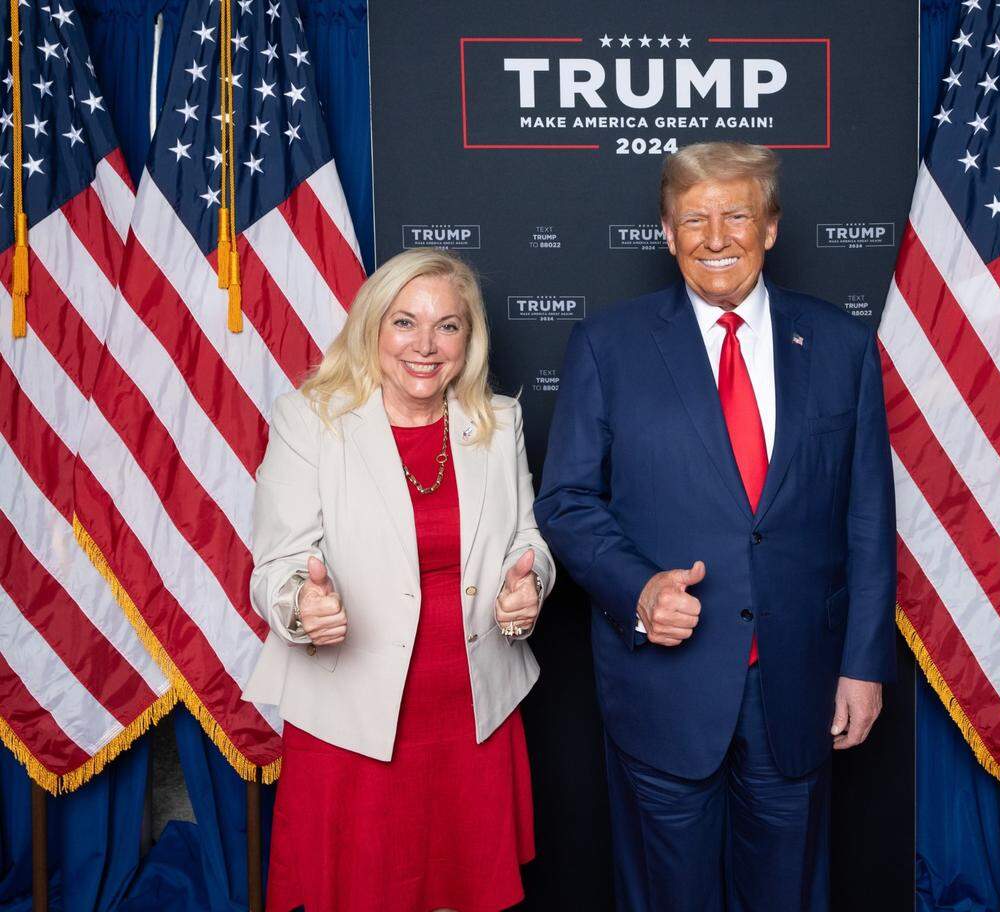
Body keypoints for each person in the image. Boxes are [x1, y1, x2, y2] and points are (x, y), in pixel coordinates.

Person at [534, 142, 896, 911]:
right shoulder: (609, 346)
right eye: (693, 218)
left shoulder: (841, 345)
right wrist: (637, 592)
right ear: (666, 234)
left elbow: (867, 519)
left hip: (798, 686)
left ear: (771, 227)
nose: (715, 235)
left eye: (736, 213)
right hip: (663, 690)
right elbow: (565, 501)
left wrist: (864, 665)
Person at [241, 248, 554, 912]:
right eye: (404, 322)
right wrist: (302, 606)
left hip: (474, 710)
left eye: (448, 325)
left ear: (469, 339)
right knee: (360, 892)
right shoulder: (312, 420)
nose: (425, 345)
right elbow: (275, 567)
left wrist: (530, 588)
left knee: (461, 891)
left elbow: (527, 542)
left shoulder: (497, 423)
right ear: (372, 328)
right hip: (354, 716)